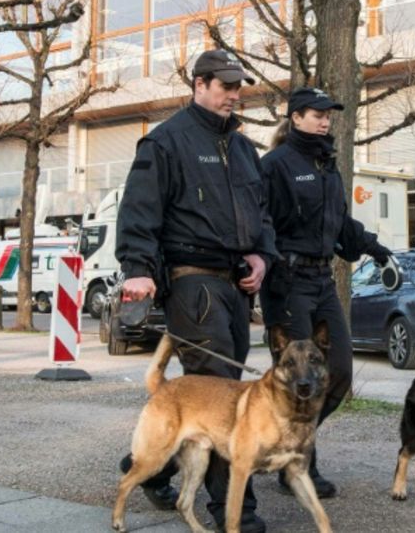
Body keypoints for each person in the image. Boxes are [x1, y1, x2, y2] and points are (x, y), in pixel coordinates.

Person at [116, 49, 277, 533]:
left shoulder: (244, 149)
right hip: (190, 282)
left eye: (238, 86)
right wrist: (137, 268)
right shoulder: (166, 141)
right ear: (199, 84)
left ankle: (149, 466)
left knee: (222, 389)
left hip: (235, 286)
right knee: (224, 395)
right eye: (225, 86)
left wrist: (261, 255)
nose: (234, 95)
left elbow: (262, 214)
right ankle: (235, 513)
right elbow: (139, 209)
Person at [259, 87, 392, 498]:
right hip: (287, 283)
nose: (325, 121)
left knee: (339, 372)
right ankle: (298, 465)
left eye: (328, 115)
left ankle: (288, 444)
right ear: (296, 117)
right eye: (317, 114)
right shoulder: (275, 165)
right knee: (300, 377)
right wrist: (261, 269)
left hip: (322, 281)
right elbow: (259, 222)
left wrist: (375, 248)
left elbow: (340, 223)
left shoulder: (327, 165)